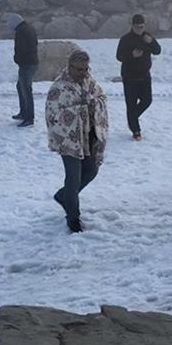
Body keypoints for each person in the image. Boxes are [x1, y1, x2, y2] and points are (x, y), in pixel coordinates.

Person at [46, 50, 109, 233]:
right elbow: (53, 113)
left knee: (91, 171)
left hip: (89, 136)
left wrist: (93, 104)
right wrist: (79, 110)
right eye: (79, 69)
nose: (83, 72)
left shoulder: (90, 82)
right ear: (70, 67)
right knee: (73, 178)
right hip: (69, 139)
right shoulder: (60, 87)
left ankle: (64, 196)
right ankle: (73, 218)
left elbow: (101, 98)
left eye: (85, 69)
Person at [116, 14, 161, 141]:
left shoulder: (148, 37)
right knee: (131, 103)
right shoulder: (125, 39)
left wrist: (151, 42)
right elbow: (119, 56)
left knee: (147, 100)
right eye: (137, 27)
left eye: (142, 27)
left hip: (145, 75)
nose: (140, 29)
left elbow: (157, 50)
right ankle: (136, 130)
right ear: (132, 26)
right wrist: (132, 55)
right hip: (129, 77)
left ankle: (131, 118)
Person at [6, 13, 39, 127]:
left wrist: (18, 58)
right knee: (21, 87)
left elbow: (21, 48)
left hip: (26, 63)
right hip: (31, 62)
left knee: (26, 90)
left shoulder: (21, 32)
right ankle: (24, 112)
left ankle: (29, 117)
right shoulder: (29, 28)